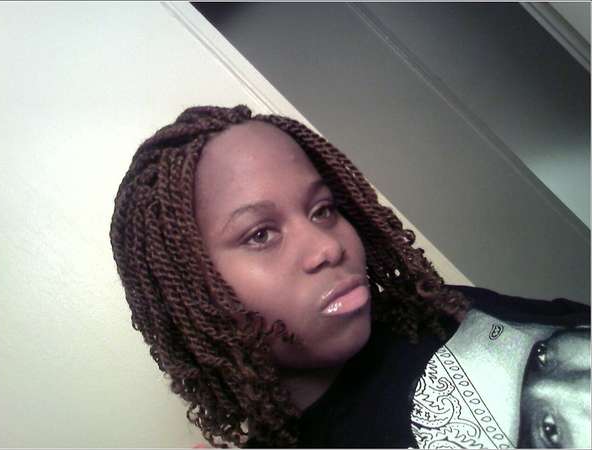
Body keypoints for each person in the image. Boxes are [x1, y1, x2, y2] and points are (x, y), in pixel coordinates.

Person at [109, 105, 590, 448]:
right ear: (191, 296)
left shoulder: (430, 310)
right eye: (260, 234)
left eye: (322, 210)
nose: (328, 246)